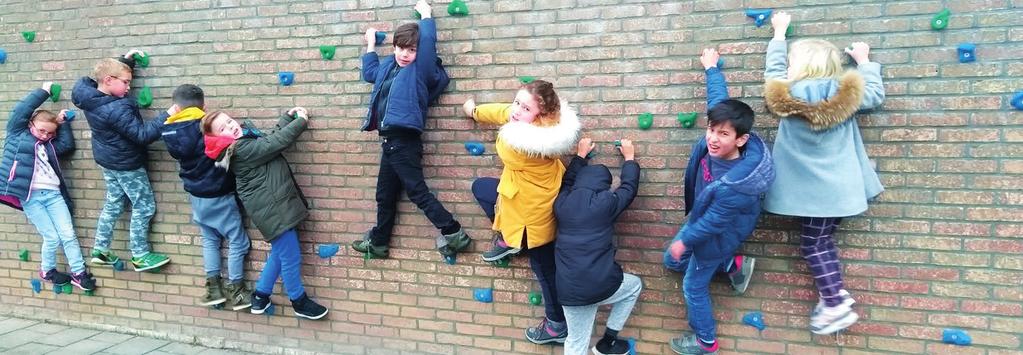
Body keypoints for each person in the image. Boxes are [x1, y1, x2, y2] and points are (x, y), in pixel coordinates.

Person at [762, 12, 885, 335]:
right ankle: (835, 292)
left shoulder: (785, 95)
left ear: (801, 66)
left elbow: (773, 73)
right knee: (821, 240)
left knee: (814, 245)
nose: (787, 68)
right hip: (841, 190)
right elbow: (874, 94)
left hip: (811, 194)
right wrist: (865, 62)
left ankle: (834, 303)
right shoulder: (845, 94)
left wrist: (778, 35)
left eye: (791, 63)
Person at [664, 48, 775, 354]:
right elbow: (717, 102)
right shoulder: (717, 140)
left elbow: (714, 223)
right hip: (703, 222)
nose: (713, 138)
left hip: (717, 234)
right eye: (711, 129)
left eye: (723, 134)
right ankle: (734, 265)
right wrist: (712, 69)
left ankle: (706, 342)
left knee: (692, 286)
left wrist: (685, 240)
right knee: (670, 260)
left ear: (741, 139)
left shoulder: (739, 182)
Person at [463, 79, 581, 344]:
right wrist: (475, 111)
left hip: (535, 212)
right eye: (517, 102)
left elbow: (507, 122)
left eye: (525, 108)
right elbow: (505, 112)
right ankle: (511, 239)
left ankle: (556, 326)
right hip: (535, 192)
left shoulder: (521, 143)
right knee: (483, 188)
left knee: (544, 268)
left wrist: (479, 113)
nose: (516, 110)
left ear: (541, 114)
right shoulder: (546, 125)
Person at [353, 0, 469, 260]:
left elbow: (428, 45)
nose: (405, 54)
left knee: (417, 192)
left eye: (411, 49)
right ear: (394, 47)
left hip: (404, 140)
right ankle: (379, 243)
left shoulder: (421, 70)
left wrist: (426, 15)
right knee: (384, 195)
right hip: (389, 142)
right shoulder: (389, 67)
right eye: (400, 48)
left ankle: (455, 233)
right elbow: (369, 72)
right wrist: (371, 44)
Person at [201, 108, 328, 320]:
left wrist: (287, 117)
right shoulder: (239, 149)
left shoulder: (243, 142)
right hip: (273, 209)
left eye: (230, 121)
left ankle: (260, 296)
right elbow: (276, 143)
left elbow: (267, 141)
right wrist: (301, 121)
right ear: (216, 138)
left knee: (280, 253)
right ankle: (299, 301)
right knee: (290, 255)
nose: (231, 126)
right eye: (223, 128)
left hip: (273, 207)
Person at [71, 49, 170, 271]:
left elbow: (112, 77)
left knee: (114, 202)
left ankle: (101, 249)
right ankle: (140, 255)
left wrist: (125, 62)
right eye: (125, 82)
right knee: (144, 206)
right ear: (108, 80)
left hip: (107, 159)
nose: (128, 87)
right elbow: (142, 135)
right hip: (127, 164)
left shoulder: (89, 96)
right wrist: (168, 115)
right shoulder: (115, 108)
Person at [160, 84, 251, 310]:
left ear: (176, 108)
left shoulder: (169, 130)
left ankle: (213, 289)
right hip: (219, 194)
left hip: (196, 196)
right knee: (238, 241)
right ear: (204, 106)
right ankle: (237, 290)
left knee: (210, 239)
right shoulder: (204, 127)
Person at [1, 82, 97, 291]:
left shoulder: (48, 146)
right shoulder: (16, 134)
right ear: (30, 125)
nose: (45, 136)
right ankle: (47, 270)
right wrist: (44, 91)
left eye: (49, 134)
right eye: (42, 131)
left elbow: (66, 146)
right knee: (52, 237)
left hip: (54, 195)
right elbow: (21, 110)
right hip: (31, 197)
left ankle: (79, 273)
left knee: (68, 234)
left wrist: (62, 125)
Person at [555, 137, 642, 355]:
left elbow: (566, 183)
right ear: (604, 185)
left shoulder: (561, 203)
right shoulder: (606, 203)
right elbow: (628, 189)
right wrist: (630, 158)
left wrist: (580, 156)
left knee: (575, 343)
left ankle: (606, 344)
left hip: (569, 289)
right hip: (600, 285)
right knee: (634, 286)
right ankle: (609, 341)